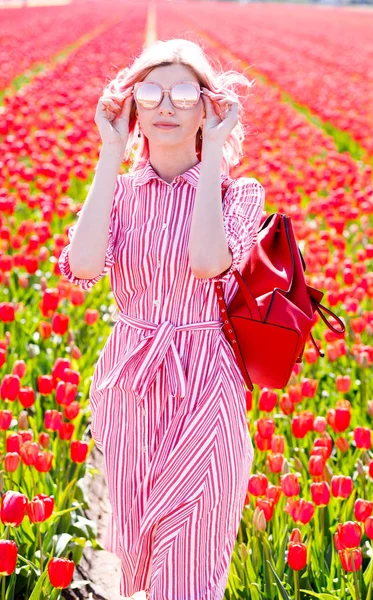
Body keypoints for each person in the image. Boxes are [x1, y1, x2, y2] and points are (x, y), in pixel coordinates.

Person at [58, 38, 265, 600]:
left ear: (207, 106)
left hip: (207, 386)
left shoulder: (238, 195)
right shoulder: (119, 193)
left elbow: (208, 263)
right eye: (150, 92)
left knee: (194, 561)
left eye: (183, 92)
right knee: (139, 561)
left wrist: (213, 155)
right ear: (132, 107)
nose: (166, 105)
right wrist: (110, 151)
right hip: (132, 384)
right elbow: (82, 266)